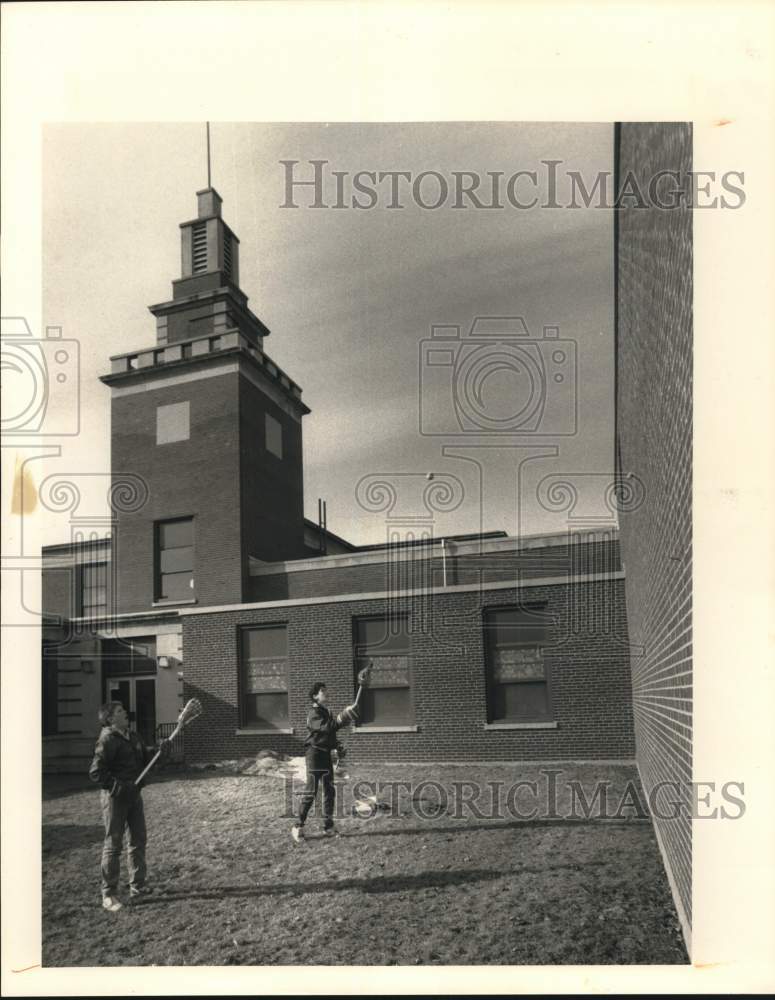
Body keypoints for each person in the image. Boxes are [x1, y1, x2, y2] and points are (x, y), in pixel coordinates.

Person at [88, 701, 171, 911]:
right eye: (119, 711)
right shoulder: (107, 740)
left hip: (134, 796)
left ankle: (138, 887)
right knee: (113, 845)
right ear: (109, 718)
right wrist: (119, 788)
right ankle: (108, 894)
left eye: (123, 710)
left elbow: (146, 759)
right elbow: (96, 772)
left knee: (138, 840)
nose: (125, 713)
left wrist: (161, 750)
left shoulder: (133, 737)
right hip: (115, 799)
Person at [291, 683, 359, 843]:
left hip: (325, 755)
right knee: (311, 791)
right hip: (314, 754)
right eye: (322, 691)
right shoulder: (313, 714)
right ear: (315, 696)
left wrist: (338, 746)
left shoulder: (327, 712)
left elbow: (331, 734)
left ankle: (328, 826)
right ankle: (298, 826)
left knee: (329, 790)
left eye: (325, 691)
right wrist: (344, 715)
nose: (325, 693)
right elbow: (327, 728)